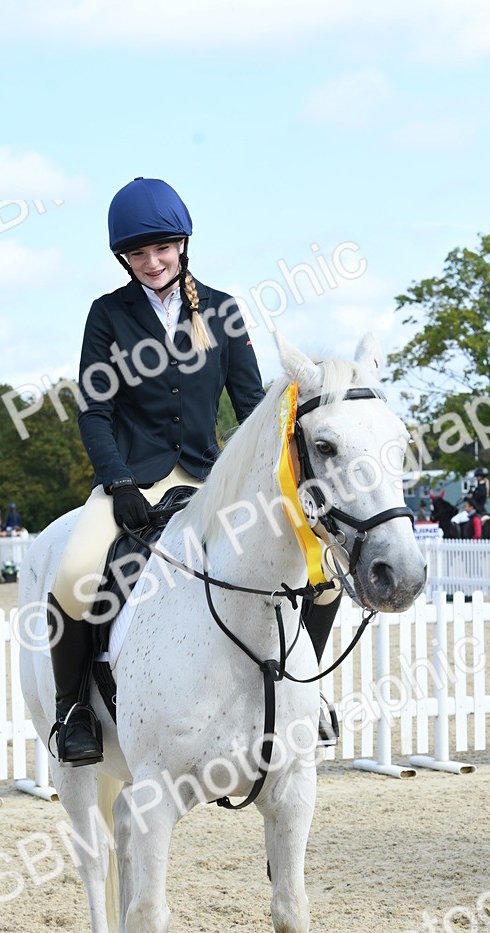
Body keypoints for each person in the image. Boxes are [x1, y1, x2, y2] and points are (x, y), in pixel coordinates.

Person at [48, 177, 341, 765]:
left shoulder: (225, 310)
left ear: (182, 245)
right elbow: (95, 413)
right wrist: (119, 482)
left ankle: (307, 694)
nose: (152, 263)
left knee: (323, 570)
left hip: (211, 480)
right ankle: (74, 708)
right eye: (137, 253)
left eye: (162, 249)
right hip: (133, 479)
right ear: (122, 258)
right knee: (75, 575)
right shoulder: (107, 316)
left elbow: (255, 408)